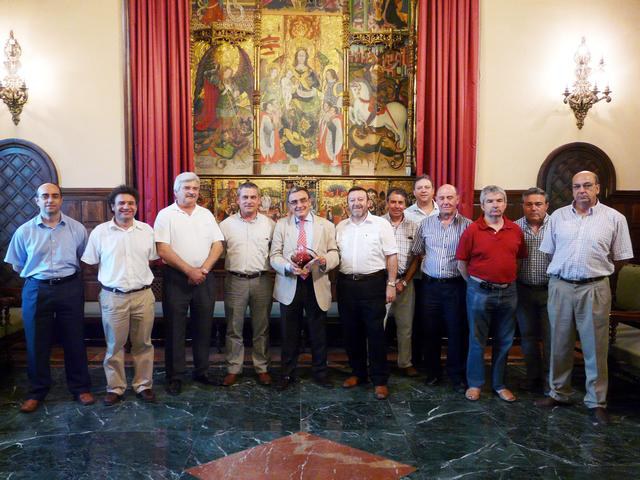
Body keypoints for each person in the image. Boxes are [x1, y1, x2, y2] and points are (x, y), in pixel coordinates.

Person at [535, 171, 633, 425]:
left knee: (595, 347)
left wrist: (595, 275)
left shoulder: (614, 218)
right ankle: (559, 393)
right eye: (577, 186)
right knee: (558, 343)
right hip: (560, 286)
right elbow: (550, 252)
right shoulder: (558, 217)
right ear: (572, 190)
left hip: (594, 287)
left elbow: (621, 258)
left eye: (587, 185)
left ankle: (596, 401)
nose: (582, 190)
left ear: (597, 188)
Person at [4, 183, 94, 413]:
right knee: (36, 341)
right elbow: (17, 264)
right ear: (37, 200)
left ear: (61, 200)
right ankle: (37, 391)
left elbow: (83, 256)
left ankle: (80, 388)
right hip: (37, 289)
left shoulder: (77, 228)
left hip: (69, 287)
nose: (50, 200)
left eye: (55, 196)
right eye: (45, 196)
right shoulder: (24, 231)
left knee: (74, 339)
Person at [81, 185, 158, 405]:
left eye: (131, 203)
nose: (126, 207)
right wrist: (110, 279)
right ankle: (115, 387)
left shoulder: (147, 231)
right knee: (114, 345)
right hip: (113, 297)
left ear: (136, 206)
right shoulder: (100, 232)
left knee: (144, 343)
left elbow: (152, 259)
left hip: (143, 295)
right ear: (112, 207)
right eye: (121, 203)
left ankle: (143, 385)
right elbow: (89, 263)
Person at [154, 172, 224, 395]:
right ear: (176, 191)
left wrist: (203, 270)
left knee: (203, 327)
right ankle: (175, 376)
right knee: (175, 329)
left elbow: (218, 245)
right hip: (176, 278)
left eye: (195, 188)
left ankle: (202, 371)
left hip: (204, 277)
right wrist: (189, 271)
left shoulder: (206, 214)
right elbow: (163, 249)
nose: (192, 192)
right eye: (187, 188)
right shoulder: (166, 215)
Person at [456, 185, 527, 403]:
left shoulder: (515, 230)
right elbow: (462, 264)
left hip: (508, 292)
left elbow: (518, 260)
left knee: (504, 340)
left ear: (505, 204)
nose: (495, 205)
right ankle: (475, 384)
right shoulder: (472, 230)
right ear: (482, 205)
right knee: (477, 339)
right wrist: (475, 284)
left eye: (499, 200)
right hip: (479, 292)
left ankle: (499, 384)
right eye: (490, 201)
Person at [270, 186, 339, 390]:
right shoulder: (281, 225)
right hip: (290, 282)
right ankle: (287, 374)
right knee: (288, 333)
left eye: (302, 200)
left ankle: (320, 373)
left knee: (318, 332)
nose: (299, 205)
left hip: (315, 282)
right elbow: (274, 255)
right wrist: (287, 267)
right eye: (294, 202)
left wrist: (325, 260)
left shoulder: (326, 225)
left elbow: (334, 252)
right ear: (288, 205)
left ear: (310, 201)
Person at [336, 186, 398, 400]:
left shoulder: (381, 224)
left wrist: (391, 284)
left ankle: (379, 380)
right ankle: (358, 373)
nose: (357, 203)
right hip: (346, 284)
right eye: (352, 200)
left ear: (368, 202)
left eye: (360, 199)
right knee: (351, 332)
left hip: (373, 283)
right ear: (347, 204)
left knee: (376, 333)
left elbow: (391, 255)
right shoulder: (340, 227)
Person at [411, 184, 471, 391]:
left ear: (457, 199)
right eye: (442, 198)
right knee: (430, 331)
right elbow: (417, 251)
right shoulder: (425, 224)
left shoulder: (468, 226)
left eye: (450, 197)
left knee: (457, 332)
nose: (446, 201)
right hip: (430, 287)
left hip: (456, 287)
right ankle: (433, 373)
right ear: (436, 200)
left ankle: (456, 375)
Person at [219, 182, 275, 387]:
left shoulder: (270, 225)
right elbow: (218, 252)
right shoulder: (225, 225)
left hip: (262, 280)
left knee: (262, 327)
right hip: (235, 280)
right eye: (245, 197)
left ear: (259, 200)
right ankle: (234, 368)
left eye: (253, 197)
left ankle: (262, 368)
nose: (249, 201)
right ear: (238, 200)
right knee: (234, 327)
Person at [515, 187, 551, 393]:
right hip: (523, 290)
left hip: (550, 290)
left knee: (551, 338)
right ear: (523, 206)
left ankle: (550, 381)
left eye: (538, 204)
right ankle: (532, 378)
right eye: (529, 204)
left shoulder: (557, 226)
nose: (533, 208)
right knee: (527, 337)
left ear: (546, 205)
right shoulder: (514, 228)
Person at [381, 188, 420, 377]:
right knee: (377, 324)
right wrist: (389, 282)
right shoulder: (378, 224)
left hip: (405, 282)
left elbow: (417, 257)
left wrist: (404, 281)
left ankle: (405, 363)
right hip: (381, 282)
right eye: (393, 202)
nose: (396, 206)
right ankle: (375, 361)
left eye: (400, 202)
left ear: (406, 205)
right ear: (387, 203)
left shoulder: (414, 226)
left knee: (405, 326)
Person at [404, 174, 439, 370]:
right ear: (414, 192)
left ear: (433, 190)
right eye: (419, 188)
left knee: (432, 319)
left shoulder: (443, 211)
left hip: (435, 275)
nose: (423, 190)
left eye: (427, 187)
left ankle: (432, 360)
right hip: (414, 276)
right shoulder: (407, 214)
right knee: (416, 318)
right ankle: (416, 359)